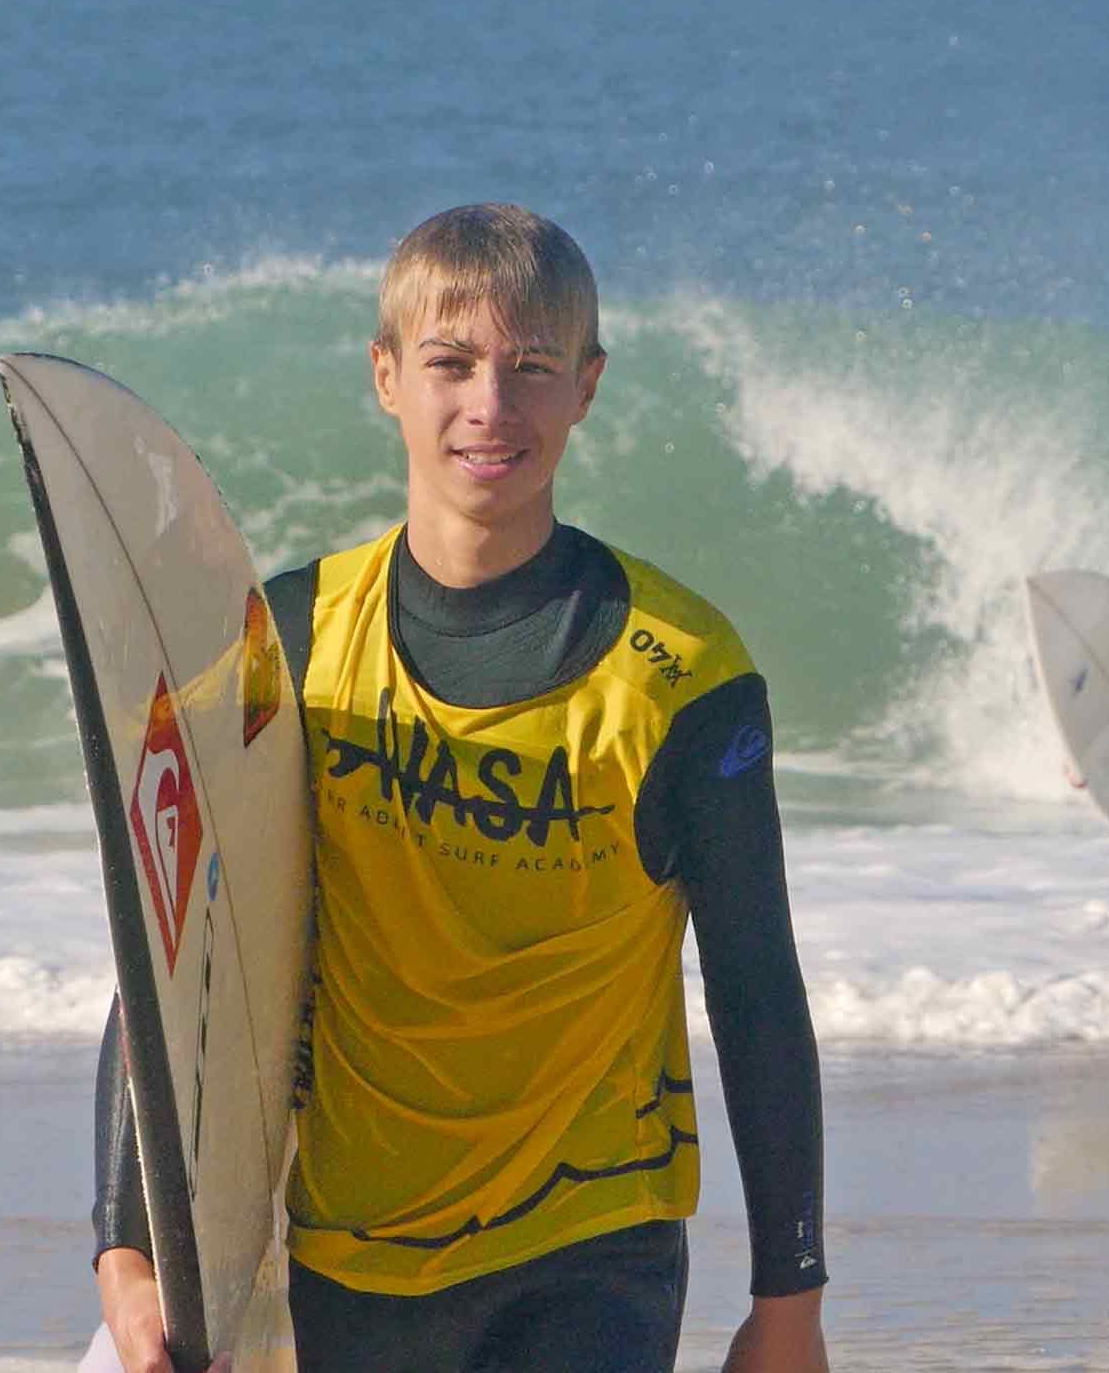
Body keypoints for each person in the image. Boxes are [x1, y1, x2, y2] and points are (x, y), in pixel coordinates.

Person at [88, 204, 829, 1373]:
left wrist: (788, 1298)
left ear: (586, 386)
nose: (491, 403)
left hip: (593, 1233)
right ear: (386, 375)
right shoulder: (289, 640)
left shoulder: (684, 675)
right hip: (353, 1243)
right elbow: (175, 953)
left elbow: (755, 984)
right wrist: (128, 1251)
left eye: (532, 367)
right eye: (451, 363)